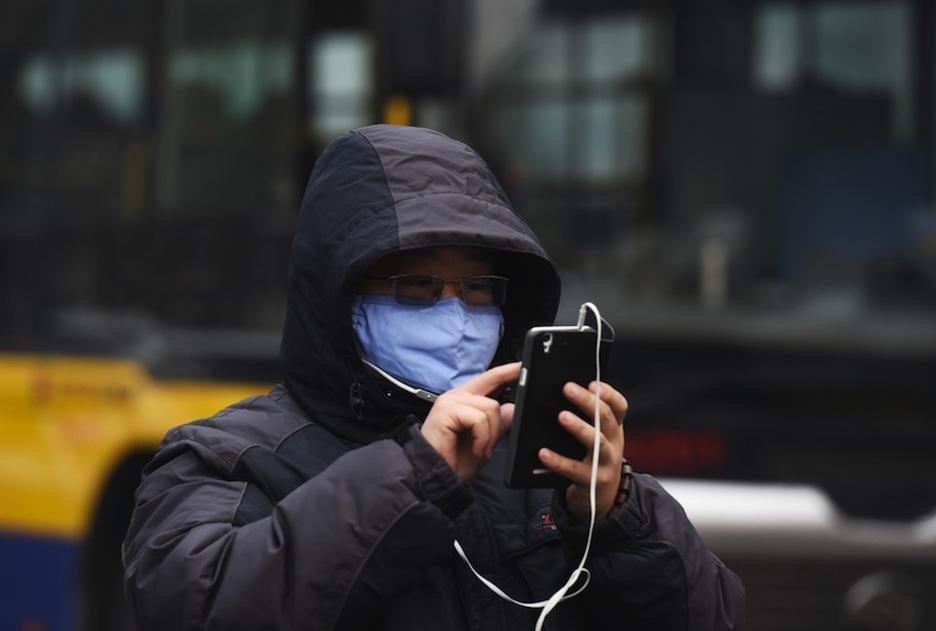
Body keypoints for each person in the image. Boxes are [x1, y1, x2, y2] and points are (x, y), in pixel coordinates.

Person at [122, 124, 746, 630]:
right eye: (417, 285)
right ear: (338, 292)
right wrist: (413, 478)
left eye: (477, 288)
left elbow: (711, 618)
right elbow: (195, 606)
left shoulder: (540, 457)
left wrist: (618, 516)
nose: (455, 315)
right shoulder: (230, 459)